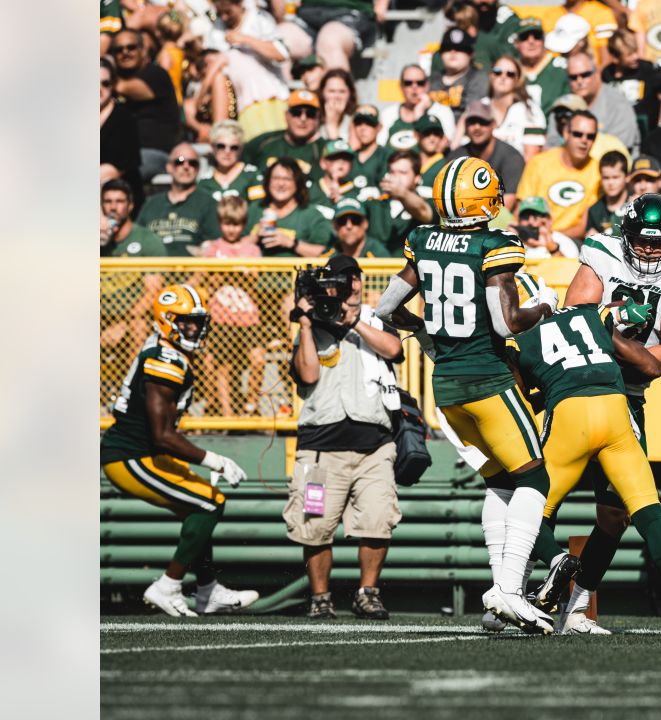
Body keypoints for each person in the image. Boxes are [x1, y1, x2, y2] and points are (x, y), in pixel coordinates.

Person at [375, 156, 559, 635]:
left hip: (445, 386)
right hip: (487, 379)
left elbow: (384, 308)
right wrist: (543, 305)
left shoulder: (424, 239)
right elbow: (504, 323)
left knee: (499, 482)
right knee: (535, 483)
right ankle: (510, 591)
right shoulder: (494, 244)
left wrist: (429, 335)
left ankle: (498, 602)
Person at [536, 194, 661, 634]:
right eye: (642, 242)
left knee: (615, 515)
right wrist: (612, 328)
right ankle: (515, 591)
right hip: (579, 388)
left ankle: (575, 608)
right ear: (625, 235)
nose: (650, 252)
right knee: (537, 497)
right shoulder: (602, 252)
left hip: (626, 396)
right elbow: (574, 321)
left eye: (659, 243)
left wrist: (610, 334)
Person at [509, 300, 661, 638]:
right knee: (650, 515)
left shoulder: (517, 338)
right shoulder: (593, 317)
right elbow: (651, 367)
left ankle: (556, 563)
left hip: (570, 418)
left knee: (528, 511)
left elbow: (521, 399)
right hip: (616, 412)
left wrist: (549, 386)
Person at [101, 285, 260, 617]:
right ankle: (168, 585)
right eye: (186, 323)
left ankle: (207, 590)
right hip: (130, 456)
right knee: (209, 502)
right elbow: (161, 435)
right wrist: (213, 459)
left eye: (197, 323)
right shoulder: (164, 359)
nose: (194, 329)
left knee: (202, 502)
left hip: (144, 453)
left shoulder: (167, 351)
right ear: (166, 321)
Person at [287, 255, 402, 620]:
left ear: (357, 282)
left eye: (348, 279)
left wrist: (351, 321)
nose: (343, 287)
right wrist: (307, 323)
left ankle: (368, 592)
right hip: (321, 446)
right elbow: (306, 376)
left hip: (374, 445)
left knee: (377, 519)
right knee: (315, 526)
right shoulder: (314, 324)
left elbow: (393, 349)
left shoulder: (374, 316)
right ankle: (320, 598)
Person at [200, 195, 267, 418]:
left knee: (258, 359)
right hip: (221, 317)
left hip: (248, 317)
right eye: (227, 224)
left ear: (244, 224)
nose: (231, 229)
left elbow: (253, 277)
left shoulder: (251, 249)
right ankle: (227, 414)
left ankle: (251, 405)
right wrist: (236, 270)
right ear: (220, 223)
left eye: (236, 224)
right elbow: (211, 279)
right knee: (223, 366)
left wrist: (227, 271)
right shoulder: (213, 248)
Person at [203, 0, 290, 140]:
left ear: (239, 4)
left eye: (228, 12)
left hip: (271, 98)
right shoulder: (216, 28)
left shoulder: (259, 19)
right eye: (220, 13)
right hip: (243, 105)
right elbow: (211, 61)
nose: (224, 17)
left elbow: (281, 53)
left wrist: (245, 39)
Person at [516, 110, 601, 240]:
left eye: (590, 136)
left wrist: (551, 238)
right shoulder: (538, 163)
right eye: (578, 134)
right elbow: (520, 211)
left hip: (571, 241)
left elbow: (583, 226)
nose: (584, 140)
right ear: (566, 133)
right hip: (533, 236)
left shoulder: (598, 171)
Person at [110, 29, 182, 181]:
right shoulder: (112, 83)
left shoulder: (156, 74)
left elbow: (135, 89)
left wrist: (104, 75)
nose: (125, 52)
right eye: (119, 49)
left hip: (154, 153)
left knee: (121, 174)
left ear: (143, 50)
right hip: (121, 153)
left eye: (131, 47)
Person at [137, 144, 221, 257]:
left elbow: (215, 247)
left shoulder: (209, 204)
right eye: (179, 162)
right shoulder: (151, 204)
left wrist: (199, 274)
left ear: (198, 169)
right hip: (153, 272)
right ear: (169, 167)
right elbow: (137, 241)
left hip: (191, 273)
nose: (186, 167)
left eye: (192, 163)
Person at [443, 101, 526, 209]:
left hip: (498, 216)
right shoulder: (456, 157)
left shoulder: (511, 157)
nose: (477, 127)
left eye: (483, 122)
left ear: (494, 124)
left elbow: (508, 202)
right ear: (465, 126)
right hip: (462, 213)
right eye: (472, 122)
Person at [246, 158, 332, 257]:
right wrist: (255, 236)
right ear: (268, 181)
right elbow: (231, 247)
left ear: (297, 183)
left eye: (287, 179)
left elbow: (324, 253)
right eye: (276, 178)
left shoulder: (310, 214)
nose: (281, 184)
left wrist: (291, 243)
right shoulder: (255, 209)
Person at [559, 51, 640, 154]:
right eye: (573, 77)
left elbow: (618, 151)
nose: (579, 81)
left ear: (597, 73)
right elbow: (552, 144)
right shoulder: (563, 106)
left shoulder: (617, 105)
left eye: (585, 75)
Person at [277, 0, 385, 73]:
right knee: (277, 43)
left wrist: (381, 5)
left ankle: (340, 105)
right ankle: (276, 105)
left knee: (330, 40)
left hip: (351, 11)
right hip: (307, 13)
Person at [364, 149, 436, 253]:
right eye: (392, 172)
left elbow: (425, 212)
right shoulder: (374, 202)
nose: (396, 177)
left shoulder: (426, 201)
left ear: (417, 178)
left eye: (403, 173)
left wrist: (401, 193)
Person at [243, 89, 325, 180]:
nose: (303, 118)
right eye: (296, 112)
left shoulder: (323, 150)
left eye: (310, 114)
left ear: (319, 118)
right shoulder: (262, 143)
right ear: (286, 115)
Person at [377, 64, 457, 150]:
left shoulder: (442, 111)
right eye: (408, 83)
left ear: (427, 85)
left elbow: (443, 148)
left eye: (420, 83)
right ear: (401, 86)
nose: (414, 87)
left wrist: (420, 114)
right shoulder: (388, 113)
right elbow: (380, 147)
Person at [602, 31, 661, 136]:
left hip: (647, 134)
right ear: (615, 58)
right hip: (618, 132)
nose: (636, 57)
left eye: (635, 51)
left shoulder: (647, 69)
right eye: (629, 54)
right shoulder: (607, 75)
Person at [486, 55, 549, 161]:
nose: (503, 77)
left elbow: (531, 158)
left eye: (510, 74)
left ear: (517, 80)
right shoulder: (479, 107)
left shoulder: (530, 111)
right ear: (491, 75)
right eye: (497, 72)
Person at [101, 58, 142, 198]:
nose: (99, 89)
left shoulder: (124, 117)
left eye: (105, 84)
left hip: (119, 196)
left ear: (113, 85)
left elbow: (118, 168)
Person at [513, 17, 571, 116]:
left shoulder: (561, 68)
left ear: (544, 40)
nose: (531, 41)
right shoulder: (509, 70)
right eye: (524, 37)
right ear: (516, 43)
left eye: (537, 36)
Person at [430, 28, 491, 121]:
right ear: (441, 53)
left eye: (460, 48)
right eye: (447, 48)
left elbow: (472, 115)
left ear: (471, 54)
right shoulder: (429, 81)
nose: (453, 52)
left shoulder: (478, 78)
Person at [198, 120, 265, 203]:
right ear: (212, 147)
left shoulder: (252, 176)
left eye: (234, 147)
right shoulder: (204, 181)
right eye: (221, 146)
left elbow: (257, 210)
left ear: (241, 149)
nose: (227, 152)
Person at [101, 180, 167, 257]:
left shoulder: (148, 241)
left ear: (130, 206)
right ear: (102, 206)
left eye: (119, 201)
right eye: (108, 201)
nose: (113, 207)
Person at [513, 197, 579, 258]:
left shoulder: (564, 243)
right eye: (525, 217)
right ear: (518, 221)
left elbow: (569, 269)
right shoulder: (513, 242)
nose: (531, 221)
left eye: (536, 215)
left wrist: (552, 247)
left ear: (549, 220)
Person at [585, 151, 630, 236]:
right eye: (606, 178)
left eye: (615, 177)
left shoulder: (636, 205)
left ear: (627, 177)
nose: (610, 183)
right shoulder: (594, 211)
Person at [347, 104, 389, 195]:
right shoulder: (348, 157)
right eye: (358, 123)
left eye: (369, 123)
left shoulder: (387, 156)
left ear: (379, 127)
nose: (363, 128)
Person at [317, 68, 357, 141]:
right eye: (331, 91)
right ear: (322, 93)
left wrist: (332, 126)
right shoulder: (311, 118)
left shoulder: (357, 121)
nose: (337, 96)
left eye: (342, 91)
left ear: (350, 94)